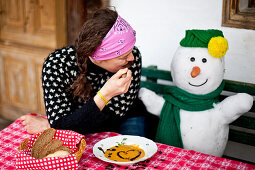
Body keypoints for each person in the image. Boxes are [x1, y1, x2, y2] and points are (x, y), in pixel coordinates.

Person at [20, 8, 154, 138]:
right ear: (99, 57)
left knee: (134, 156)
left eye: (130, 50)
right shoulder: (56, 64)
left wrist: (53, 127)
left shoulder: (132, 58)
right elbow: (63, 127)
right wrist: (105, 94)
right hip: (82, 124)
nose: (131, 58)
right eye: (122, 57)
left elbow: (111, 121)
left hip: (127, 118)